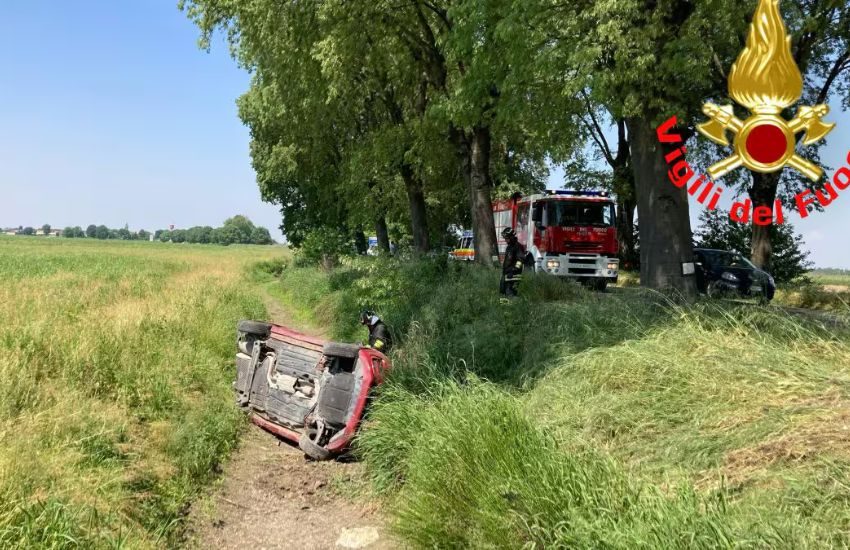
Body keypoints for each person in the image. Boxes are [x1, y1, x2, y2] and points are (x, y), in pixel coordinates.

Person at [500, 228, 525, 298]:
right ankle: (505, 308)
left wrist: (514, 271)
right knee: (503, 292)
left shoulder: (518, 247)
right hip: (506, 274)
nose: (505, 240)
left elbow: (520, 261)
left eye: (507, 238)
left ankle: (513, 306)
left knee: (510, 293)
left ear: (511, 237)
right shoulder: (509, 247)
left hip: (513, 275)